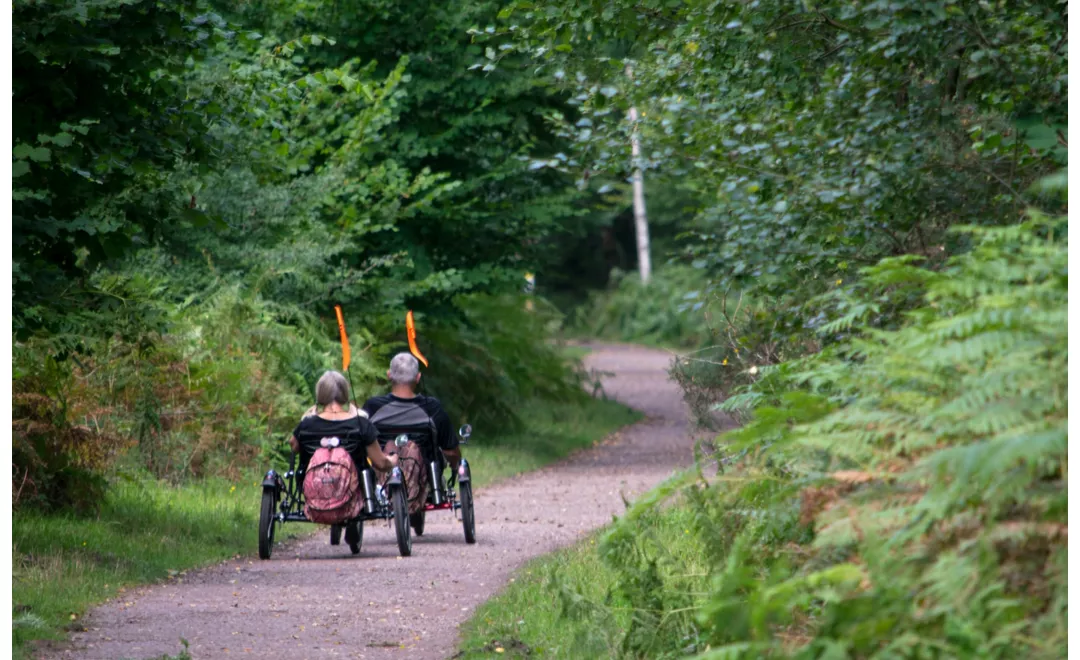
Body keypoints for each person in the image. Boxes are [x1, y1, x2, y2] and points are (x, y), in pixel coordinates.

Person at [290, 371, 398, 548]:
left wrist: (309, 414)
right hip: (353, 489)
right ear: (345, 394)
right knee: (365, 472)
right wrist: (392, 460)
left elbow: (294, 446)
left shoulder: (306, 425)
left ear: (320, 394)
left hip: (314, 489)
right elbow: (380, 463)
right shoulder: (361, 424)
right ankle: (354, 514)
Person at [362, 353, 459, 515]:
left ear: (389, 375)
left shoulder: (372, 407)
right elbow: (450, 451)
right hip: (423, 477)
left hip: (381, 474)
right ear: (418, 377)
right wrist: (455, 466)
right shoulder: (432, 407)